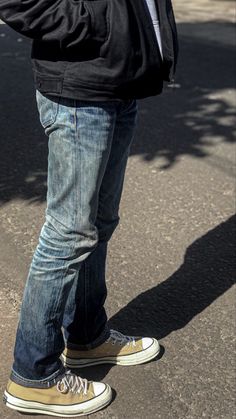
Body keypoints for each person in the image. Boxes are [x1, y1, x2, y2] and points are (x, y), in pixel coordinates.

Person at [0, 0, 178, 416]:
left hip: (119, 82)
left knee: (99, 222)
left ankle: (85, 336)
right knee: (68, 232)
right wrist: (96, 27)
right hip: (80, 87)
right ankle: (34, 375)